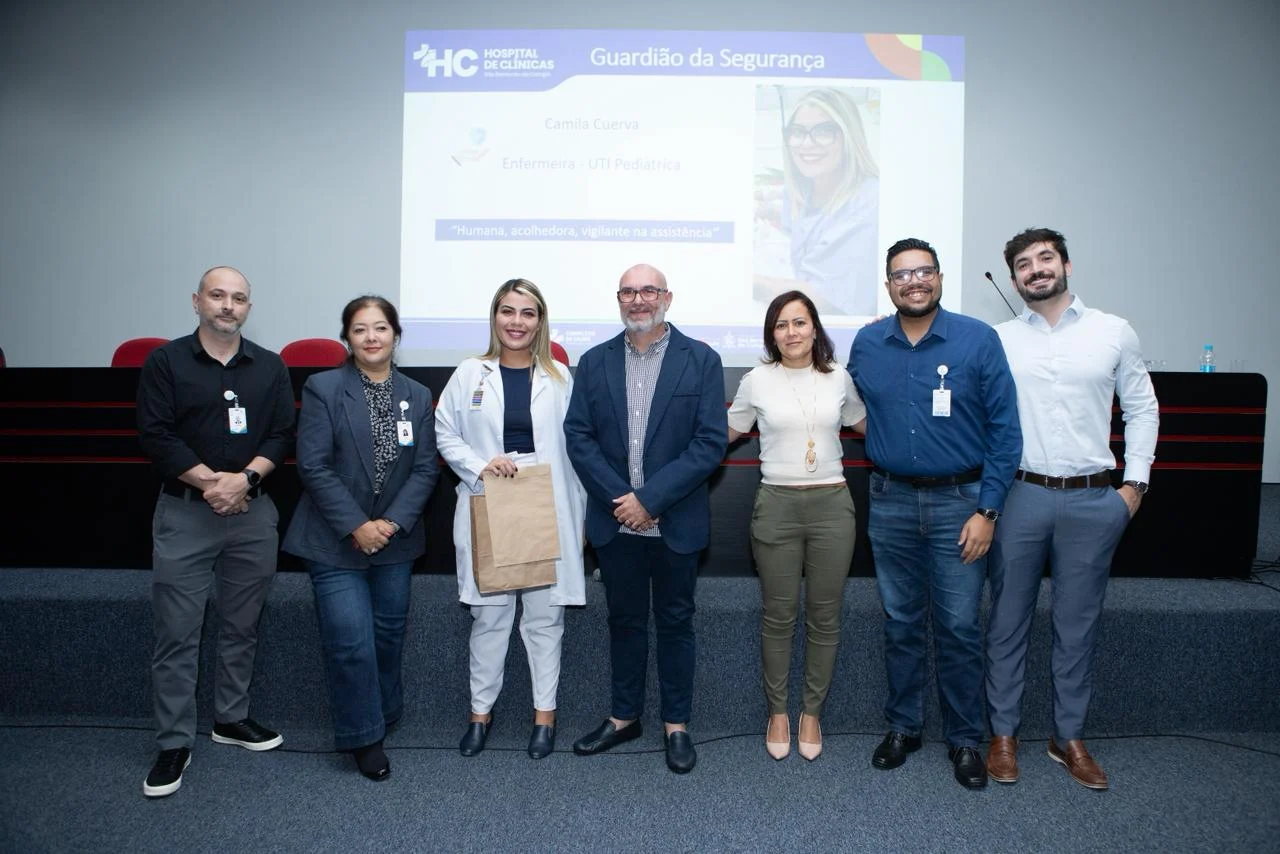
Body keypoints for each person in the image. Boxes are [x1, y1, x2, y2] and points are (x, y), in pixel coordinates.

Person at [985, 228, 1159, 790]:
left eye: (1045, 259)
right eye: (1023, 264)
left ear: (1066, 264)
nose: (1035, 270)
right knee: (1007, 621)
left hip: (1093, 498)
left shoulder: (1114, 332)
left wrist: (1134, 488)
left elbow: (1142, 409)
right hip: (1021, 496)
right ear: (1013, 278)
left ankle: (1068, 738)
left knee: (1076, 626)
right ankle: (1004, 735)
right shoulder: (999, 339)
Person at [846, 238, 1022, 789]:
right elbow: (850, 406)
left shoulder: (978, 339)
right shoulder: (869, 342)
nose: (913, 282)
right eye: (902, 275)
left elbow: (1005, 433)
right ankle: (904, 726)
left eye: (923, 272)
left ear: (940, 278)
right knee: (900, 624)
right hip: (891, 501)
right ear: (889, 285)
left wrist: (988, 510)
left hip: (960, 506)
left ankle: (966, 739)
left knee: (958, 627)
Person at [135, 266, 296, 798]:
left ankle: (230, 718)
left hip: (253, 514)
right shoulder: (166, 362)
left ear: (249, 307)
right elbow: (154, 435)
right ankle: (173, 741)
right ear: (197, 300)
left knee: (241, 625)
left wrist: (245, 479)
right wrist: (212, 484)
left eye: (240, 298)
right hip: (187, 513)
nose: (229, 306)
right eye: (219, 296)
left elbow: (280, 434)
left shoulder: (269, 366)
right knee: (177, 632)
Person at [564, 263, 727, 774]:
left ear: (667, 298)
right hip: (616, 524)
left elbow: (709, 444)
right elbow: (579, 437)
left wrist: (649, 500)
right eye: (629, 292)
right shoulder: (593, 362)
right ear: (619, 299)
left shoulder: (700, 360)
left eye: (648, 290)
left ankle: (676, 725)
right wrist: (622, 500)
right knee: (625, 621)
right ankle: (623, 717)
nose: (638, 300)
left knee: (676, 623)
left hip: (673, 522)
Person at [281, 296, 439, 781]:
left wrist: (388, 525)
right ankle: (364, 736)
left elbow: (426, 468)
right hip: (334, 538)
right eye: (359, 329)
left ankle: (384, 712)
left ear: (396, 335)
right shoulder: (325, 388)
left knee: (388, 636)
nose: (371, 337)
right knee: (351, 640)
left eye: (381, 328)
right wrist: (358, 526)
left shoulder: (417, 393)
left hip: (396, 539)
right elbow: (313, 465)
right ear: (347, 338)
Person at [434, 279, 586, 760]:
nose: (517, 321)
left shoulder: (560, 376)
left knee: (544, 619)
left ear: (541, 322)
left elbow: (577, 447)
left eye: (528, 313)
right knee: (490, 617)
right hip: (491, 499)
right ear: (494, 317)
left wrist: (579, 520)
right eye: (507, 311)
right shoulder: (468, 373)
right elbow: (444, 433)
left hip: (547, 504)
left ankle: (545, 716)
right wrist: (481, 465)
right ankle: (480, 715)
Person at [728, 290, 866, 761]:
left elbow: (871, 424)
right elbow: (722, 433)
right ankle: (778, 712)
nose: (791, 332)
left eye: (800, 323)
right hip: (777, 507)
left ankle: (811, 713)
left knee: (825, 616)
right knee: (778, 614)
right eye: (782, 325)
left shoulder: (839, 378)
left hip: (832, 506)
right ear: (772, 333)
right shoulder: (756, 380)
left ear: (815, 328)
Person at [755, 88, 880, 316]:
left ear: (848, 136)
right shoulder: (813, 188)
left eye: (823, 131)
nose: (806, 143)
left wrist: (744, 279)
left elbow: (821, 296)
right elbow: (800, 222)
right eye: (797, 132)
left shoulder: (868, 202)